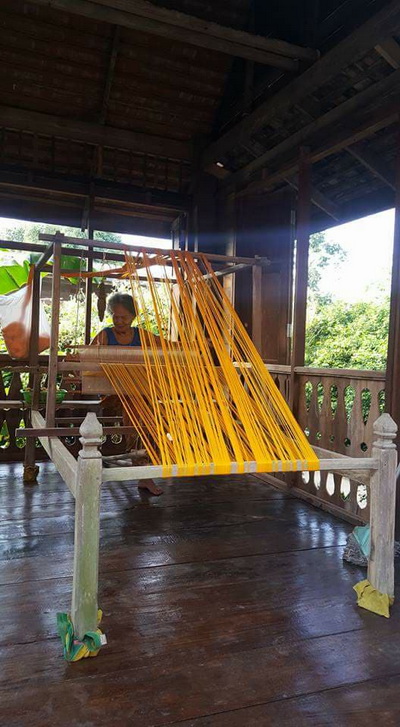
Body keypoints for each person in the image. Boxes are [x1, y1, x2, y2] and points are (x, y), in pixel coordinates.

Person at [92, 292, 162, 496]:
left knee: (149, 424)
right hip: (114, 394)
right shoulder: (106, 335)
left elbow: (165, 346)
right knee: (138, 422)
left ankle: (144, 472)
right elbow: (90, 356)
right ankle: (144, 475)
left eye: (124, 317)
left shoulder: (143, 336)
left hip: (139, 391)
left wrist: (195, 347)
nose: (119, 321)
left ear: (133, 317)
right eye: (115, 316)